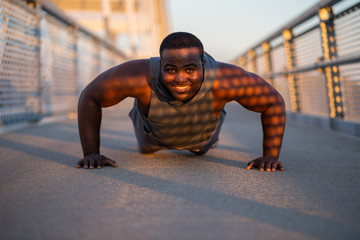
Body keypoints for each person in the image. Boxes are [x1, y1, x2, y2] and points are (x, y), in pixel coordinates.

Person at [77, 32, 286, 172]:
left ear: (203, 64)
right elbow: (90, 96)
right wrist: (91, 154)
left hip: (202, 139)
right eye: (170, 70)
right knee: (148, 147)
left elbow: (273, 102)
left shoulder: (226, 80)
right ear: (160, 65)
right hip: (151, 138)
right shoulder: (138, 77)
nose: (180, 79)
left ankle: (198, 142)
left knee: (199, 146)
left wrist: (270, 156)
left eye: (189, 70)